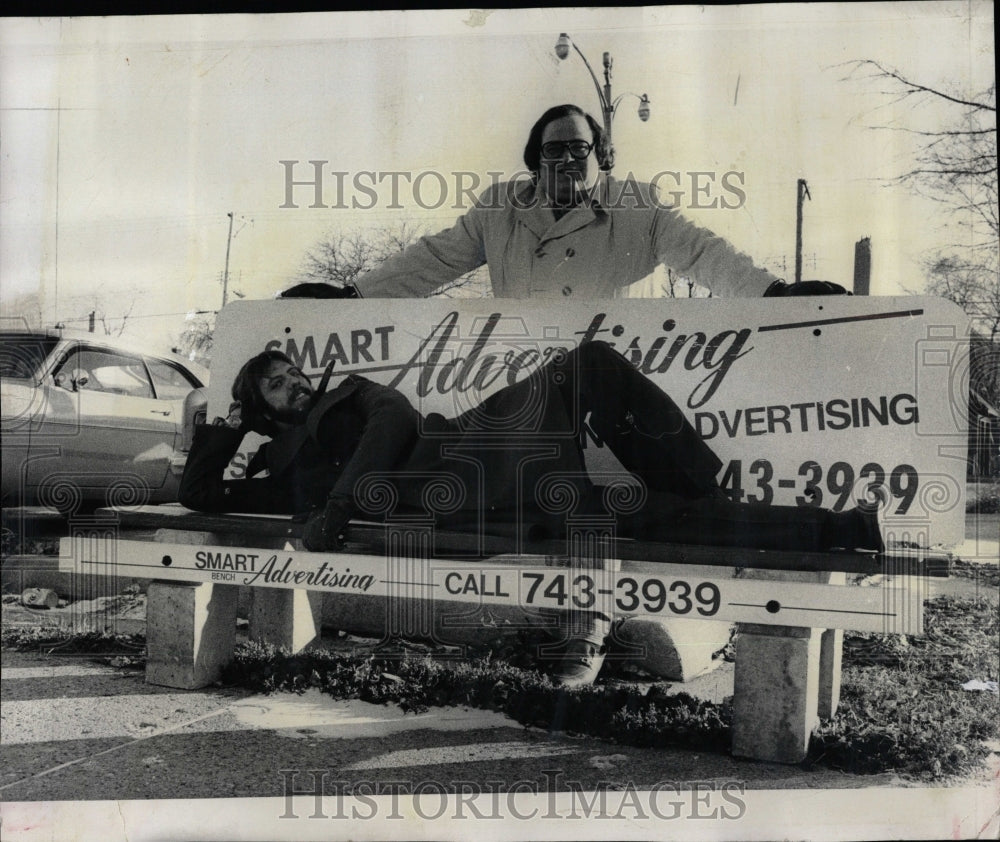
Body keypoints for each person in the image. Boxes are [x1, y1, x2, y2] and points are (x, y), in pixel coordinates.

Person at [180, 341, 885, 684]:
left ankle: (736, 493)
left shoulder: (355, 395)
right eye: (276, 383)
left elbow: (392, 422)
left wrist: (331, 514)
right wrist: (226, 427)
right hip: (487, 514)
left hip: (482, 451)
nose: (296, 382)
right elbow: (203, 496)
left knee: (592, 365)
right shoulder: (281, 464)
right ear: (262, 406)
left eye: (294, 371)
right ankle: (838, 529)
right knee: (645, 517)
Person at [278, 104, 847, 301]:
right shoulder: (498, 211)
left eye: (581, 148)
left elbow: (704, 255)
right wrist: (353, 295)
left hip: (616, 379)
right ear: (534, 162)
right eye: (554, 151)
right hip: (517, 377)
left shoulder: (637, 207)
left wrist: (774, 293)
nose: (568, 160)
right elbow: (430, 261)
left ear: (601, 157)